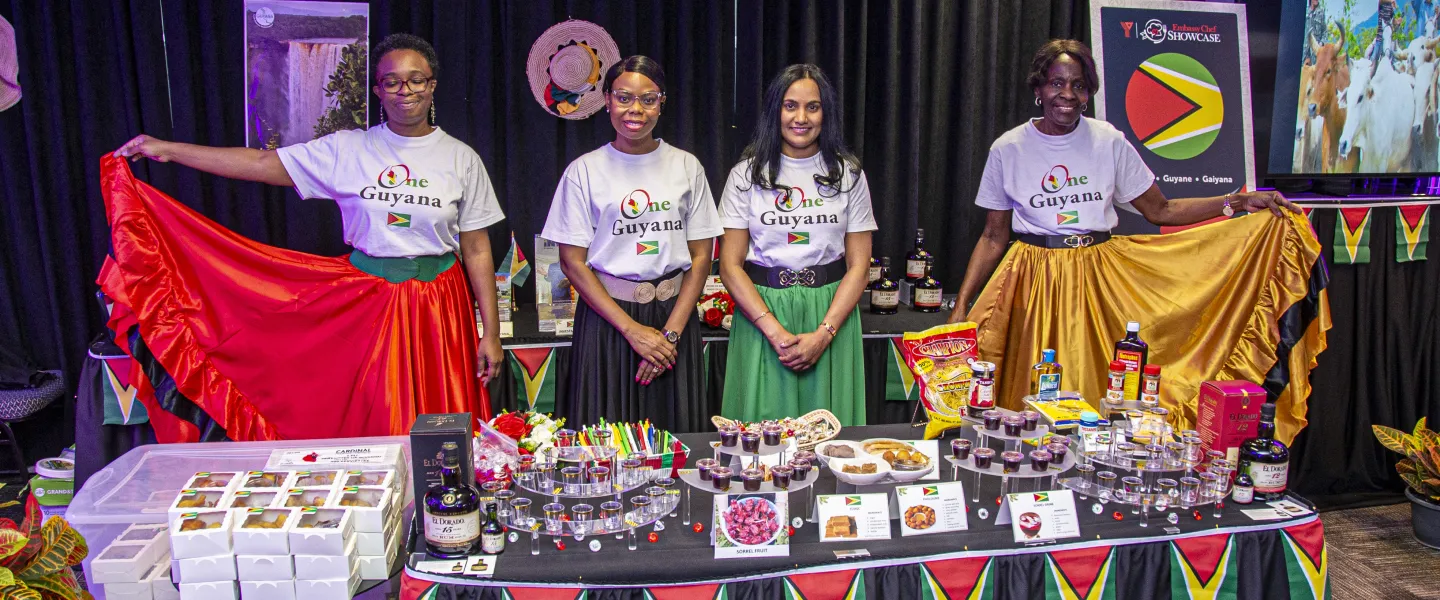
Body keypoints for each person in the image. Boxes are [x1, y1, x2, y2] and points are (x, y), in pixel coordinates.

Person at [106, 33, 506, 440]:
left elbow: (476, 248)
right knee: (379, 416)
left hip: (439, 304)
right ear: (378, 90)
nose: (405, 90)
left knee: (444, 418)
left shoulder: (461, 158)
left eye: (416, 79)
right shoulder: (348, 149)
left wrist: (489, 333)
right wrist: (170, 150)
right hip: (370, 304)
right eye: (392, 81)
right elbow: (261, 163)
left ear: (432, 85)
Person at [947, 40, 1328, 441]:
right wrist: (960, 307)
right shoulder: (1009, 148)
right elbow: (993, 235)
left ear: (1088, 93)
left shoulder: (1107, 141)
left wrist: (1237, 200)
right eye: (1057, 83)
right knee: (1028, 388)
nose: (1068, 95)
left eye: (1079, 86)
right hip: (1033, 279)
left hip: (1096, 277)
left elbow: (1161, 210)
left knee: (1095, 387)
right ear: (1038, 89)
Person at [540, 56, 722, 433]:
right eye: (624, 98)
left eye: (648, 99)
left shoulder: (687, 166)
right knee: (607, 442)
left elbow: (702, 256)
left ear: (662, 102)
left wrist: (669, 335)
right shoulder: (584, 171)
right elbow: (572, 262)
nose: (635, 109)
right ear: (606, 100)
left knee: (677, 437)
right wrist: (631, 330)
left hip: (674, 317)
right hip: (609, 321)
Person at [717, 64, 875, 426]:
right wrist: (774, 331)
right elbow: (729, 265)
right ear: (776, 111)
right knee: (761, 438)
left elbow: (859, 266)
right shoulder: (746, 174)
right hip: (763, 316)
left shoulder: (848, 174)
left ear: (826, 113)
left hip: (829, 314)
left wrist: (824, 333)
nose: (801, 117)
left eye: (812, 107)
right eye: (790, 106)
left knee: (832, 436)